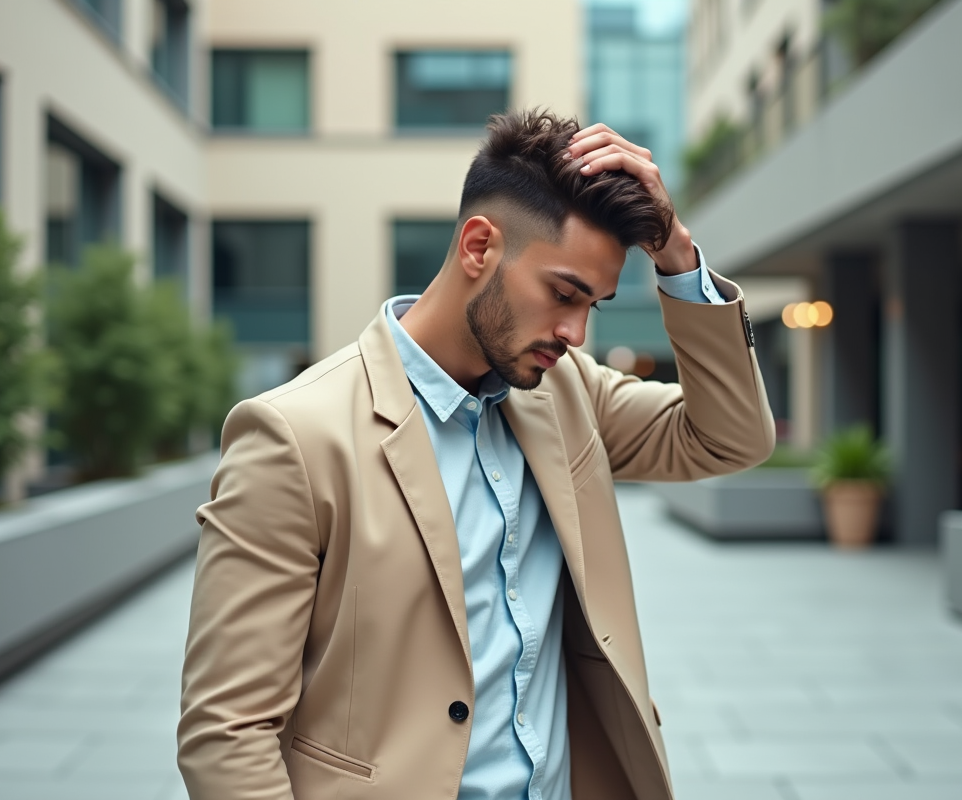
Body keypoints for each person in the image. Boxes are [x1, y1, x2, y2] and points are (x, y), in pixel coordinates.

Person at [177, 109, 775, 800]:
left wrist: (677, 252)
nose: (576, 333)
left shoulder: (565, 393)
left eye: (595, 306)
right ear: (478, 246)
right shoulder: (293, 436)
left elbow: (730, 435)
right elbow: (227, 731)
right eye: (562, 293)